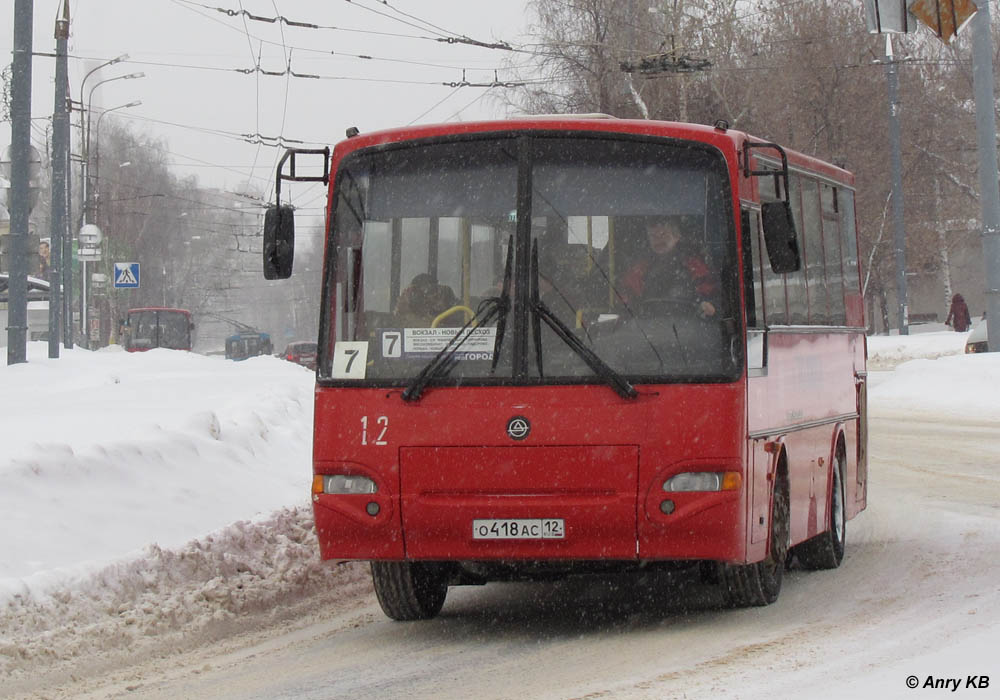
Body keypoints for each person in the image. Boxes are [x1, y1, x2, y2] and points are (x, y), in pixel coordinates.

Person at [618, 216, 719, 317]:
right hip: (646, 328)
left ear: (677, 236)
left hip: (688, 326)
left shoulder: (694, 265)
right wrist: (629, 305)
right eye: (653, 236)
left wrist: (708, 305)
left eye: (663, 234)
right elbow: (626, 295)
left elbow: (710, 293)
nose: (658, 240)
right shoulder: (640, 268)